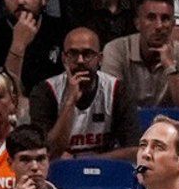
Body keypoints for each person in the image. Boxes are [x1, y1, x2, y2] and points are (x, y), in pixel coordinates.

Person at [31, 27, 139, 159]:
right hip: (60, 173)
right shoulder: (45, 91)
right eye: (73, 54)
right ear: (64, 58)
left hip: (105, 171)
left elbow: (134, 151)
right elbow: (46, 153)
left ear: (100, 59)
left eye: (87, 54)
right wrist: (70, 102)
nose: (80, 60)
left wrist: (82, 162)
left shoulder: (117, 90)